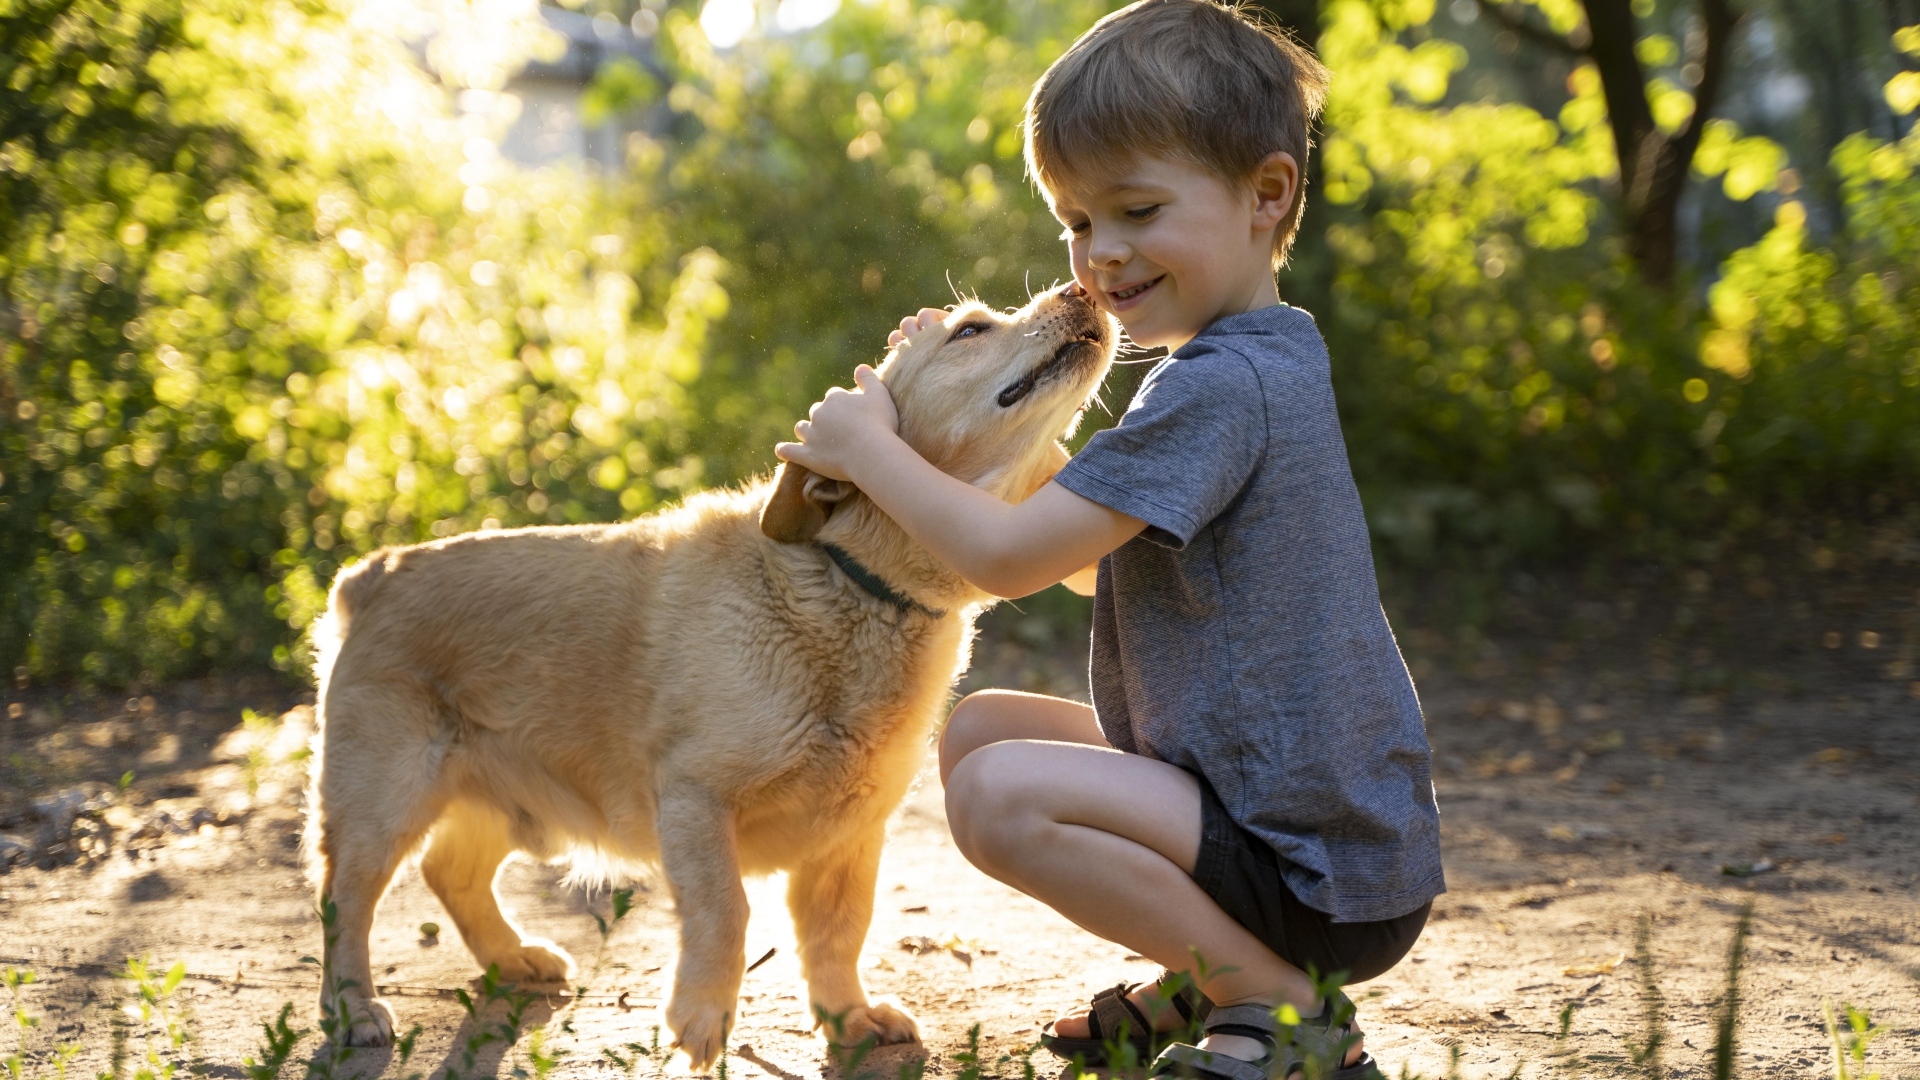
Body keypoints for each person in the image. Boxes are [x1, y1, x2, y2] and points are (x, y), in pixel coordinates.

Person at [774, 2, 1442, 1077]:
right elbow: (1092, 566)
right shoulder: (1251, 359)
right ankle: (1212, 976)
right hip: (1290, 819)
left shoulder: (1222, 388)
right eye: (1077, 223)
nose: (1101, 255)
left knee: (996, 797)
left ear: (1267, 195)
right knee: (981, 730)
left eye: (1136, 210)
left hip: (1314, 868)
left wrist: (869, 454)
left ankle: (1275, 1002)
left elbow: (1006, 561)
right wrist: (949, 399)